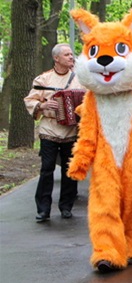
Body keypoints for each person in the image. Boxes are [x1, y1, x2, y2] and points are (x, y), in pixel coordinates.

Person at [24, 43, 83, 222]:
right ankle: (43, 209)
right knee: (47, 169)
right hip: (49, 128)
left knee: (69, 170)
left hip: (71, 130)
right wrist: (42, 105)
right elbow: (29, 99)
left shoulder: (79, 79)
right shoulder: (44, 79)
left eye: (72, 54)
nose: (71, 57)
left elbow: (89, 99)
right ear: (56, 58)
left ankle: (66, 206)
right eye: (66, 55)